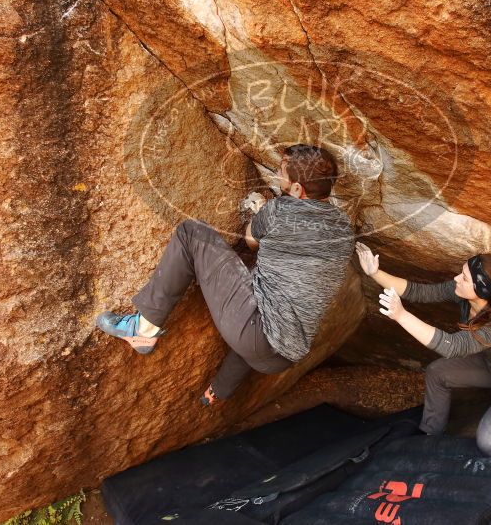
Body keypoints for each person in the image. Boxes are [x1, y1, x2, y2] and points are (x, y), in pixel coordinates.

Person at [96, 144, 355, 405]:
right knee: (269, 302)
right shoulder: (344, 229)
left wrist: (264, 213)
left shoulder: (281, 210)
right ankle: (218, 391)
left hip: (255, 335)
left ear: (298, 189)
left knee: (192, 233)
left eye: (281, 172)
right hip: (285, 356)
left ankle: (143, 328)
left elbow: (251, 240)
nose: (277, 174)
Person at [355, 242, 491, 456]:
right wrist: (374, 273)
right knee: (437, 372)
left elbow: (453, 347)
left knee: (490, 443)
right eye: (461, 273)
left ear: (482, 291)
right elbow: (419, 292)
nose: (456, 279)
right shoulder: (464, 296)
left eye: (464, 278)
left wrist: (401, 316)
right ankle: (430, 435)